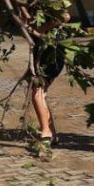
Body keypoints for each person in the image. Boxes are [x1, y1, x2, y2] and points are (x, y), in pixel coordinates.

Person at [30, 11, 71, 148]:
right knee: (41, 94)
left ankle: (46, 132)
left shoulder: (48, 0)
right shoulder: (32, 4)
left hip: (51, 54)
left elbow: (65, 16)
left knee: (37, 93)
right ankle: (51, 133)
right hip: (43, 52)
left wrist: (36, 30)